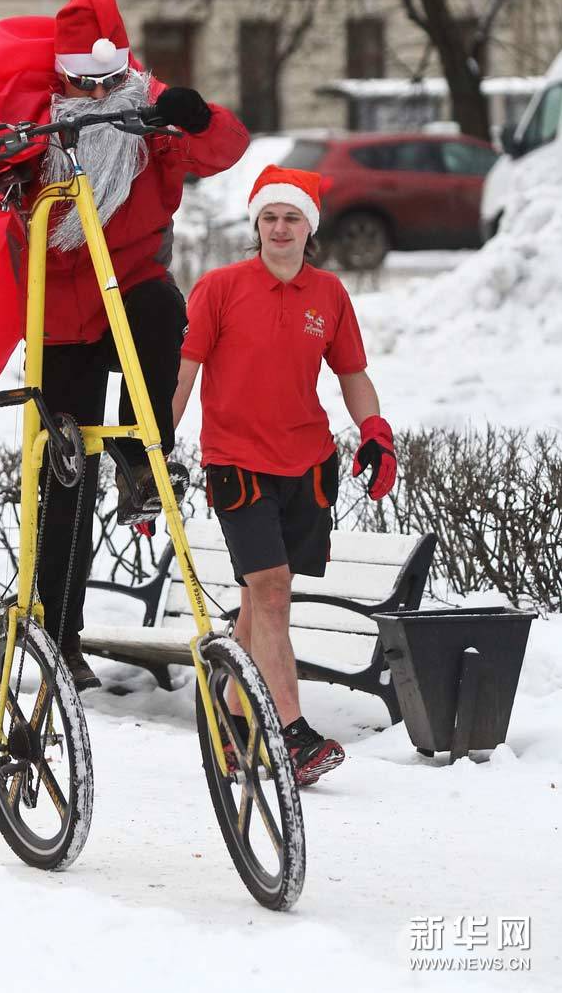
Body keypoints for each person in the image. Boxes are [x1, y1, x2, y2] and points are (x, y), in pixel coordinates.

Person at [0, 0, 249, 689]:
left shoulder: (147, 106)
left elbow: (223, 145)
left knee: (165, 314)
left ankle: (145, 462)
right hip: (59, 318)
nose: (98, 92)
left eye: (108, 79)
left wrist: (196, 117)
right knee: (64, 478)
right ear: (64, 76)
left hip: (130, 288)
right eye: (84, 81)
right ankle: (59, 634)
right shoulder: (42, 120)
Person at [172, 165, 397, 784]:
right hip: (235, 462)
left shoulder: (328, 296)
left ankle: (233, 721)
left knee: (257, 600)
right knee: (271, 590)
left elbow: (352, 374)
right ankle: (291, 734)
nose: (278, 227)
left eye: (291, 217)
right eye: (269, 217)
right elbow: (184, 376)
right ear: (256, 227)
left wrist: (375, 430)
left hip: (307, 465)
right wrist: (154, 451)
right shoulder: (218, 288)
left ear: (309, 228)